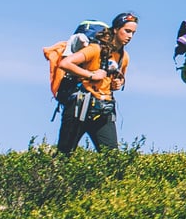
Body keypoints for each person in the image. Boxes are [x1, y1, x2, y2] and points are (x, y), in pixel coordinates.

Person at [56, 12, 138, 155]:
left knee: (112, 159)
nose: (130, 36)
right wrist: (91, 75)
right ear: (115, 29)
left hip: (104, 109)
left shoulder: (124, 57)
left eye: (133, 33)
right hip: (80, 106)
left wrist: (117, 84)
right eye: (127, 31)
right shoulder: (95, 49)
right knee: (64, 155)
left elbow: (118, 78)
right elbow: (65, 63)